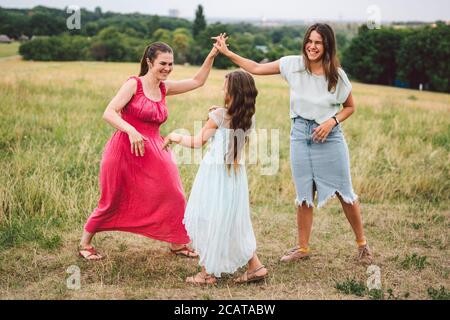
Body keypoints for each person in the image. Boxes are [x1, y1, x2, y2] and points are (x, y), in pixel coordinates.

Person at [212, 24, 373, 264]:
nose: (312, 46)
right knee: (304, 194)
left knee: (344, 191)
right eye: (309, 40)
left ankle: (362, 245)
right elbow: (255, 67)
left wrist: (332, 121)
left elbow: (350, 107)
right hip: (300, 134)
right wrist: (227, 53)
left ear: (327, 45)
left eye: (318, 42)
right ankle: (302, 248)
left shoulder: (336, 75)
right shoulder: (292, 65)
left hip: (329, 136)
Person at [78, 42, 219, 260]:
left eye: (171, 64)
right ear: (149, 62)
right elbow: (109, 112)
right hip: (124, 148)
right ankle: (85, 244)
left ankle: (177, 243)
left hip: (155, 147)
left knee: (174, 193)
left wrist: (211, 54)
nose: (167, 68)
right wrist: (131, 129)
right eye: (163, 63)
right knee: (113, 197)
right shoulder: (134, 84)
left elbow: (197, 81)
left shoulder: (165, 87)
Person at [163, 70, 268, 284]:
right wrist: (217, 112)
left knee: (207, 216)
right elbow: (228, 122)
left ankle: (207, 273)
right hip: (235, 176)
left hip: (215, 175)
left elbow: (197, 141)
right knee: (231, 220)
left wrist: (174, 136)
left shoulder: (220, 115)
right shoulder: (248, 117)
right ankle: (255, 266)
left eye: (225, 85)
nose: (222, 88)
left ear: (233, 91)